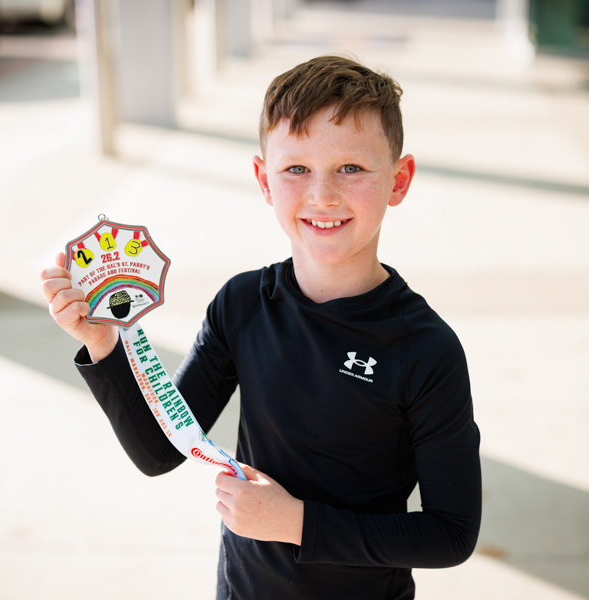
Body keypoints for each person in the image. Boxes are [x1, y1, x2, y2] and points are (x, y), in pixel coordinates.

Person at [40, 55, 481, 600]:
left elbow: (451, 533)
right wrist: (104, 344)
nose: (322, 195)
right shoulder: (243, 303)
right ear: (263, 180)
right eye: (296, 169)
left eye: (351, 168)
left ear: (399, 178)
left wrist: (297, 523)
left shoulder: (425, 348)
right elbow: (161, 451)